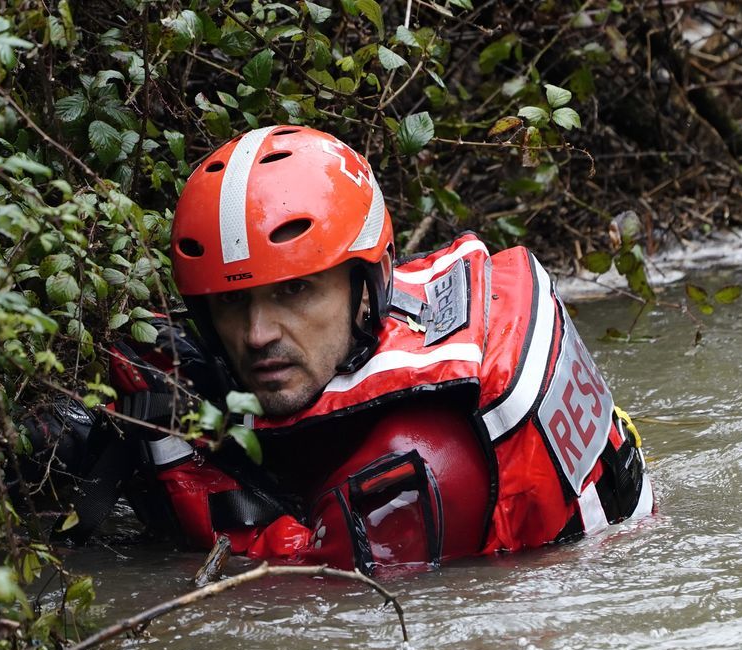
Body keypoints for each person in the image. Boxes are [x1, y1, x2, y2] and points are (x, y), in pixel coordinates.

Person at [97, 126, 651, 573]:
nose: (258, 332)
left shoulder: (415, 464)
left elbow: (302, 625)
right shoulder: (388, 319)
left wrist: (179, 489)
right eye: (232, 303)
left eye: (294, 290)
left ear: (370, 285)